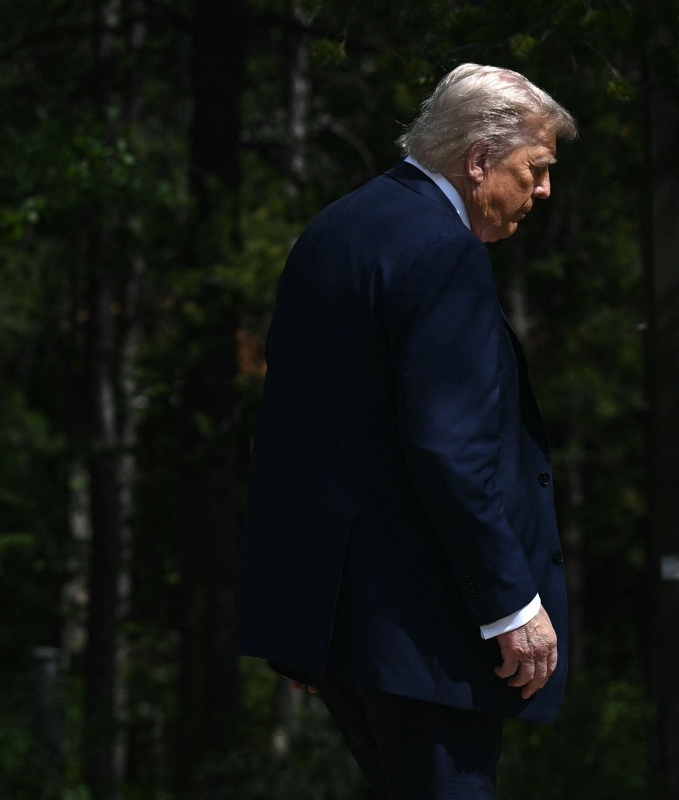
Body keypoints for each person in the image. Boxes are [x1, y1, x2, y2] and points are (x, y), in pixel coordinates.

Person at [235, 64, 577, 797]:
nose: (544, 191)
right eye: (536, 168)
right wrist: (512, 607)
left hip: (349, 631)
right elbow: (450, 449)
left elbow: (303, 432)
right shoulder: (442, 249)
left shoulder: (333, 230)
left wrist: (308, 622)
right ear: (479, 158)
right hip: (426, 635)